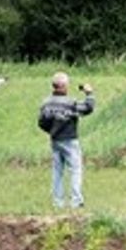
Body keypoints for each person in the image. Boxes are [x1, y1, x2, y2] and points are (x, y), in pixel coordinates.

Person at [37, 72, 94, 209]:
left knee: (57, 171)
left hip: (55, 140)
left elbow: (41, 123)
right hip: (70, 140)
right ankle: (76, 201)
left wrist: (52, 131)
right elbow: (88, 108)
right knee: (75, 169)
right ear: (63, 86)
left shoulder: (46, 103)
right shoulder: (70, 103)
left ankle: (58, 203)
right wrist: (89, 93)